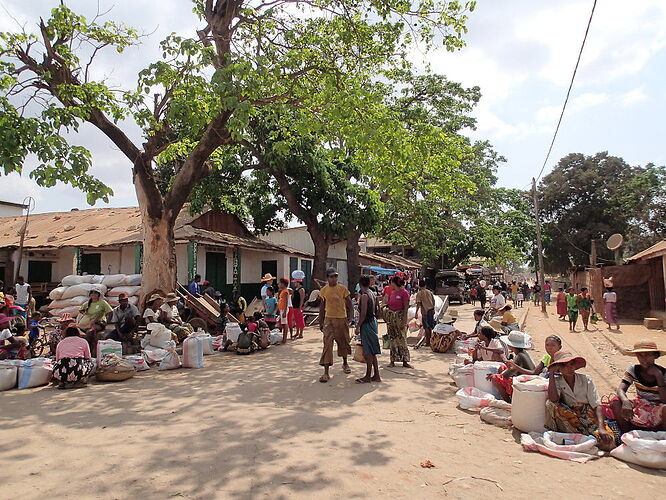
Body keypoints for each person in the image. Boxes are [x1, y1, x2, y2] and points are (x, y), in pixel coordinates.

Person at [545, 351, 615, 450]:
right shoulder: (558, 381)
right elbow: (553, 399)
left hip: (588, 416)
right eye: (564, 365)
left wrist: (601, 427)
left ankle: (588, 439)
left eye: (571, 364)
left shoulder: (586, 380)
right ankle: (578, 437)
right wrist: (551, 374)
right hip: (571, 418)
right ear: (559, 368)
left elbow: (596, 405)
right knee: (551, 404)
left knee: (608, 442)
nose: (569, 368)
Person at [610, 341, 666, 433]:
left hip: (659, 407)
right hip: (641, 405)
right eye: (640, 355)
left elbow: (664, 400)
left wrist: (658, 376)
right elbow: (621, 389)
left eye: (648, 355)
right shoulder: (633, 370)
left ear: (655, 356)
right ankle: (625, 432)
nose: (644, 359)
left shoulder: (663, 373)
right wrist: (625, 401)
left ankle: (663, 436)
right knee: (615, 401)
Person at [318, 268, 353, 383]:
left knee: (343, 342)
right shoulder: (324, 290)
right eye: (331, 276)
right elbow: (322, 307)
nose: (334, 278)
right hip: (329, 320)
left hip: (341, 319)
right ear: (327, 278)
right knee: (327, 344)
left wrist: (351, 317)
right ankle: (326, 372)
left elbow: (349, 304)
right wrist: (321, 321)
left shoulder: (342, 289)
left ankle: (345, 363)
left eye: (335, 276)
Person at [490, 331, 535, 402]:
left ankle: (508, 401)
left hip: (525, 383)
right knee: (502, 368)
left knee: (495, 378)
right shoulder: (523, 353)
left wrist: (496, 375)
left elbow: (506, 374)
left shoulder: (519, 356)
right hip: (527, 378)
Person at [354, 275, 381, 383]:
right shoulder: (372, 293)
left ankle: (368, 376)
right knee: (372, 350)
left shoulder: (365, 296)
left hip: (367, 323)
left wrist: (358, 326)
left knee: (368, 351)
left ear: (360, 284)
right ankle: (376, 375)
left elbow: (363, 313)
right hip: (372, 322)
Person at [383, 275, 412, 368]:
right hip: (391, 319)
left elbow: (406, 308)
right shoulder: (393, 292)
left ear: (394, 283)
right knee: (393, 339)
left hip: (400, 318)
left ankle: (405, 361)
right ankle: (392, 360)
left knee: (402, 339)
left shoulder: (404, 293)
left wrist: (404, 321)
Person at [78, 289, 112, 354]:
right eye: (92, 293)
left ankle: (88, 351)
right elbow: (81, 310)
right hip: (87, 322)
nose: (94, 294)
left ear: (99, 294)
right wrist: (85, 314)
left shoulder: (102, 302)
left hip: (98, 322)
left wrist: (107, 322)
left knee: (89, 333)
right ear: (90, 295)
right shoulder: (88, 303)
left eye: (95, 293)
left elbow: (110, 312)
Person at [414, 279, 435, 347]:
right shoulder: (429, 292)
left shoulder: (419, 293)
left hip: (425, 312)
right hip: (431, 310)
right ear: (425, 285)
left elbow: (418, 304)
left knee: (426, 327)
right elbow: (433, 301)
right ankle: (430, 341)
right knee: (430, 327)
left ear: (419, 286)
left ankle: (428, 343)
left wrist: (416, 313)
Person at [277, 278, 292, 344]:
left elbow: (286, 302)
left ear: (283, 284)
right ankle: (283, 338)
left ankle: (284, 339)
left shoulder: (285, 291)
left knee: (285, 324)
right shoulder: (282, 291)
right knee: (283, 324)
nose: (278, 284)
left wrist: (285, 311)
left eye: (279, 283)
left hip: (284, 309)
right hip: (282, 309)